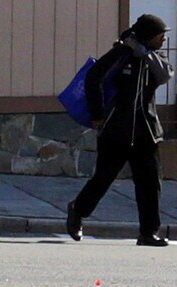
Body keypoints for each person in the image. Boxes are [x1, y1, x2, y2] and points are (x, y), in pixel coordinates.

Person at [66, 14, 171, 247]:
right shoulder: (121, 54)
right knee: (103, 178)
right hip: (116, 130)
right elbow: (93, 78)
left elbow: (165, 75)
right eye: (160, 34)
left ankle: (148, 233)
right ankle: (77, 210)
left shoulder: (155, 58)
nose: (163, 39)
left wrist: (145, 54)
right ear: (147, 35)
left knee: (150, 183)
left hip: (146, 131)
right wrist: (97, 114)